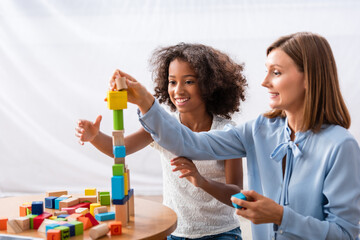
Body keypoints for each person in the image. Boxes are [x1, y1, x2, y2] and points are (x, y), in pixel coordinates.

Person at [122, 32, 360, 239]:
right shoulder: (258, 130)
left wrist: (281, 216)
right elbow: (190, 143)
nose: (264, 82)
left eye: (275, 72)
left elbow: (345, 234)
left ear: (309, 77)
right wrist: (146, 103)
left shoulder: (340, 146)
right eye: (266, 71)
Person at [75, 43, 248, 239]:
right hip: (174, 232)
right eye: (172, 82)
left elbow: (237, 196)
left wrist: (201, 181)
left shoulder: (226, 132)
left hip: (221, 233)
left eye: (189, 82)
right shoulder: (163, 127)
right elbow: (119, 150)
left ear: (210, 85)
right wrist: (95, 137)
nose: (178, 90)